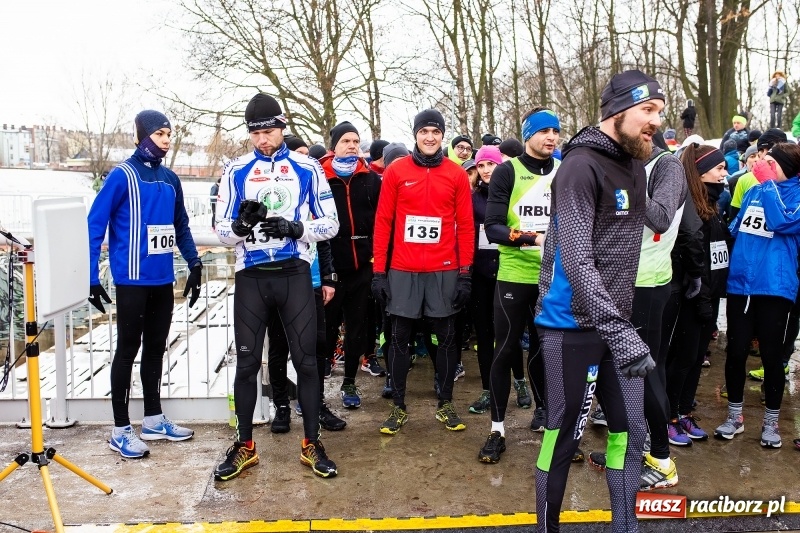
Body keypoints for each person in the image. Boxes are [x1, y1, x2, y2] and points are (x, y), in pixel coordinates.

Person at [534, 70, 662, 533]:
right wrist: (620, 332)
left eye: (659, 113)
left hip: (616, 326)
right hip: (570, 323)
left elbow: (658, 218)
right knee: (562, 437)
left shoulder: (634, 162)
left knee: (630, 436)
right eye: (647, 111)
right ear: (616, 112)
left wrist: (678, 173)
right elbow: (577, 257)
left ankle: (624, 528)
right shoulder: (578, 167)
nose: (655, 121)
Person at [212, 93, 340, 480]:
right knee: (248, 364)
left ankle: (312, 442)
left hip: (293, 275)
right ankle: (245, 445)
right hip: (251, 277)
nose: (263, 140)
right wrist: (238, 228)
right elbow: (219, 231)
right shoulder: (235, 170)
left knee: (306, 362)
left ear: (282, 128)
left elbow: (331, 223)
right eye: (256, 134)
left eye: (269, 131)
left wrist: (295, 228)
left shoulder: (307, 167)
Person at [88, 110, 202, 459]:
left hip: (162, 279)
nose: (166, 140)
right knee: (127, 350)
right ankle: (120, 429)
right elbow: (95, 224)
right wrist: (91, 276)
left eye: (169, 134)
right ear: (141, 136)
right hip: (131, 280)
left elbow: (180, 224)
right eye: (159, 134)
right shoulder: (122, 176)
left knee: (156, 347)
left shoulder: (170, 179)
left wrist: (195, 262)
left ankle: (152, 418)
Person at [372, 108, 474, 435]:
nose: (430, 137)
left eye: (435, 131)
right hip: (402, 268)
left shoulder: (456, 174)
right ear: (415, 134)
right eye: (424, 131)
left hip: (443, 269)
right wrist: (379, 272)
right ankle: (398, 407)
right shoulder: (397, 171)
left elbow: (466, 227)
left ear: (443, 135)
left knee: (446, 338)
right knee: (399, 338)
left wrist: (465, 273)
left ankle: (445, 403)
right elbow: (383, 222)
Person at [478, 107, 560, 465]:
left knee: (548, 350)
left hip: (555, 278)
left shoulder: (564, 170)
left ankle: (547, 418)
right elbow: (492, 227)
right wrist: (532, 237)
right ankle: (497, 429)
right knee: (506, 349)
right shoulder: (508, 171)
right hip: (514, 274)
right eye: (544, 131)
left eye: (556, 131)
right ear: (529, 134)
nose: (552, 137)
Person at [716, 142, 800, 448]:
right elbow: (738, 228)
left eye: (771, 162)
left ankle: (771, 423)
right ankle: (735, 417)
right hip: (741, 285)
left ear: (786, 167)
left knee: (771, 356)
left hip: (774, 288)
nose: (763, 165)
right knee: (736, 352)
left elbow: (783, 222)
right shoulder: (754, 191)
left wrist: (766, 185)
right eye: (763, 161)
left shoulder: (792, 193)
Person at [664, 144, 731, 450]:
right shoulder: (689, 203)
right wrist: (701, 292)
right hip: (692, 295)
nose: (725, 173)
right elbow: (693, 253)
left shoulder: (712, 204)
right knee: (683, 358)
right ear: (702, 172)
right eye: (719, 169)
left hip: (711, 295)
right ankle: (668, 417)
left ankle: (685, 410)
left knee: (696, 359)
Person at [319, 121, 385, 411]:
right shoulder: (320, 177)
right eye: (346, 141)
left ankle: (349, 383)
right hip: (332, 263)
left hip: (363, 263)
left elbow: (382, 220)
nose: (352, 146)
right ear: (334, 146)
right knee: (327, 327)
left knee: (358, 326)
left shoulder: (370, 178)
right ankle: (318, 386)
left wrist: (375, 257)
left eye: (356, 141)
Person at [466, 145, 501, 417]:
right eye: (481, 166)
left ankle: (520, 384)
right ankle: (488, 390)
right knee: (484, 333)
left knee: (508, 334)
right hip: (480, 273)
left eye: (491, 164)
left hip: (509, 273)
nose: (487, 170)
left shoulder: (511, 194)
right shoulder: (472, 197)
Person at [730, 129, 787, 219]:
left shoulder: (793, 177)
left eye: (769, 148)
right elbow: (735, 216)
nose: (764, 155)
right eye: (760, 150)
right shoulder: (744, 179)